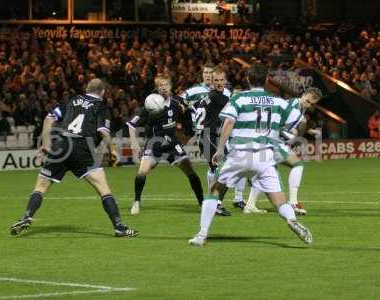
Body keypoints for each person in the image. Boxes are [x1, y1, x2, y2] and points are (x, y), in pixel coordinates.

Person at [189, 64, 312, 246]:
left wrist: (220, 148)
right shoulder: (277, 102)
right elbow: (299, 120)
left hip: (239, 154)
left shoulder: (239, 98)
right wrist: (285, 133)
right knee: (279, 199)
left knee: (214, 191)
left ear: (248, 79)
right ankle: (292, 220)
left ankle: (201, 234)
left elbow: (229, 122)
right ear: (265, 81)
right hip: (265, 157)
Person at [10, 79, 139, 237]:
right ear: (103, 92)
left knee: (40, 187)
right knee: (103, 189)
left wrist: (46, 145)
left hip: (61, 145)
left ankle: (27, 216)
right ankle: (119, 227)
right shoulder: (101, 107)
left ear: (86, 88)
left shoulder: (72, 100)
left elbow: (48, 119)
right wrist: (113, 149)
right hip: (82, 147)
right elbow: (103, 132)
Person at [128, 76, 204, 215]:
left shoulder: (177, 102)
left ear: (171, 86)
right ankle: (136, 202)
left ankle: (202, 203)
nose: (164, 88)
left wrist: (192, 126)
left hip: (172, 145)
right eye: (160, 85)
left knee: (191, 173)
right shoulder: (150, 104)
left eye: (166, 84)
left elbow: (190, 106)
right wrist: (134, 144)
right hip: (154, 145)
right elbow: (131, 125)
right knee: (141, 173)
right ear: (157, 89)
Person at [244, 87, 323, 215]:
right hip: (271, 140)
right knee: (297, 164)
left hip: (267, 140)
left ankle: (250, 205)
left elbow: (288, 127)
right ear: (303, 95)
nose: (309, 105)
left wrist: (307, 131)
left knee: (264, 171)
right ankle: (293, 202)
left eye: (312, 104)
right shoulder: (291, 106)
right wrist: (292, 137)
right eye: (308, 101)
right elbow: (276, 125)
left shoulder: (300, 108)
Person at [181, 63, 245, 216]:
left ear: (225, 80)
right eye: (216, 80)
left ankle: (214, 202)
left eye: (221, 80)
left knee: (220, 168)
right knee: (221, 169)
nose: (219, 83)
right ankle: (214, 203)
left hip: (214, 135)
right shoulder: (218, 97)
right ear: (212, 80)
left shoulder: (209, 96)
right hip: (207, 135)